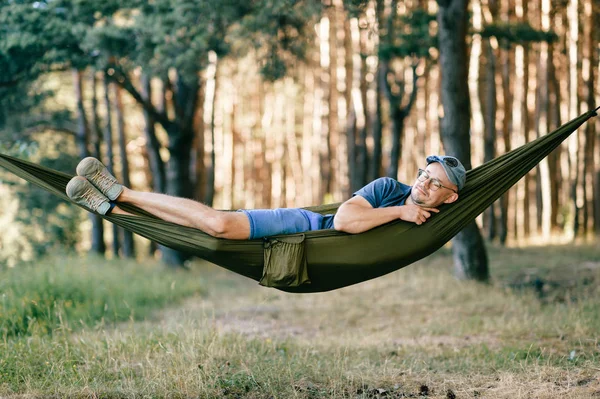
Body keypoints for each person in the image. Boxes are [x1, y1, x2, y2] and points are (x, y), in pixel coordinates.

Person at [66, 155, 466, 240]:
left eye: (435, 185)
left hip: (311, 254)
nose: (423, 185)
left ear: (450, 199)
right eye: (423, 175)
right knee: (217, 224)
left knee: (208, 235)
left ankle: (113, 208)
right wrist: (402, 210)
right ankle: (124, 193)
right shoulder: (388, 190)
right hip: (305, 225)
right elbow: (344, 222)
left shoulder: (438, 223)